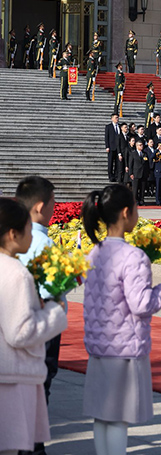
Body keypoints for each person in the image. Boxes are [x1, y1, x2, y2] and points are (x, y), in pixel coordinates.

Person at [81, 184, 161, 455]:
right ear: (126, 213)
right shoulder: (134, 256)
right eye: (136, 207)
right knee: (118, 419)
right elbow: (142, 303)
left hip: (99, 345)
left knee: (102, 415)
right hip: (124, 347)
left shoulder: (94, 252)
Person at [0, 197, 67, 455]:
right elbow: (21, 332)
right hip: (13, 379)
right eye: (29, 229)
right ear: (13, 234)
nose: (32, 234)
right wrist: (53, 313)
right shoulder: (17, 273)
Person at [15, 177, 64, 455]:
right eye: (53, 203)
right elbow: (49, 292)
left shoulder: (16, 236)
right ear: (41, 206)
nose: (54, 208)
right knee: (40, 388)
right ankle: (34, 447)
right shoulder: (42, 243)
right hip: (41, 326)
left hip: (17, 325)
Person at [128, 140, 149, 205]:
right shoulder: (133, 153)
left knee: (142, 188)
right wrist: (131, 173)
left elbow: (147, 164)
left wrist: (147, 173)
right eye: (140, 145)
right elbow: (130, 164)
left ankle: (142, 200)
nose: (141, 146)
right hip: (136, 173)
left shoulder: (144, 153)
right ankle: (135, 200)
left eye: (142, 145)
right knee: (135, 188)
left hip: (143, 173)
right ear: (137, 146)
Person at [105, 113, 123, 182]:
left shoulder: (119, 126)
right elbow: (107, 137)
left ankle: (116, 176)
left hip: (118, 148)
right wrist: (107, 146)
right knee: (110, 162)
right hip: (111, 147)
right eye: (115, 118)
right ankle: (110, 176)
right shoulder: (108, 127)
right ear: (112, 119)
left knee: (117, 163)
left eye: (117, 118)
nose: (117, 119)